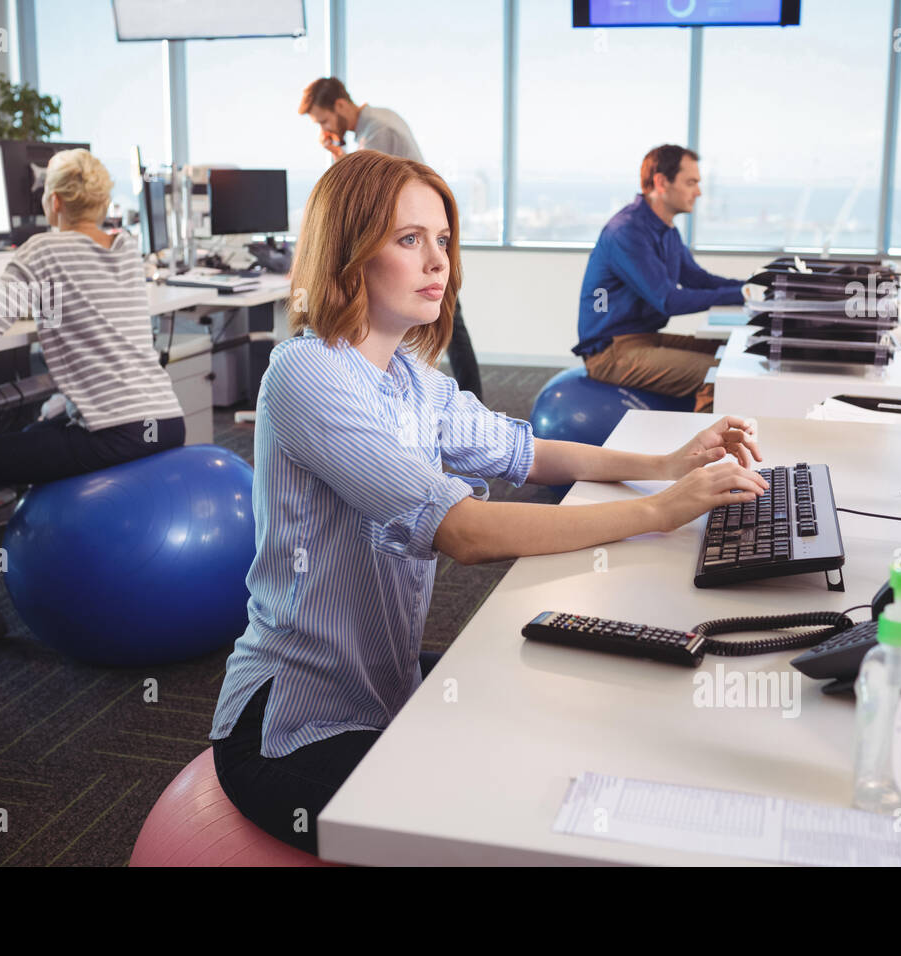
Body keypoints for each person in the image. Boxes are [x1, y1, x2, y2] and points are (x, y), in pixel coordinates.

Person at [209, 149, 768, 856]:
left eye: (442, 240)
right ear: (349, 252)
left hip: (387, 684)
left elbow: (527, 451)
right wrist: (661, 512)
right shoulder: (306, 374)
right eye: (409, 240)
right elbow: (463, 532)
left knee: (568, 712)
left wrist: (665, 465)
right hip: (290, 729)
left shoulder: (412, 379)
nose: (438, 261)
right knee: (504, 815)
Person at [0, 149, 186, 642]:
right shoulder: (124, 248)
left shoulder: (42, 251)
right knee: (38, 429)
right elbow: (76, 299)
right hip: (165, 421)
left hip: (112, 431)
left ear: (54, 200)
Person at [298, 75, 484, 401]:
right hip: (417, 229)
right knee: (451, 325)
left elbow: (365, 196)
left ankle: (467, 404)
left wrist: (336, 153)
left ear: (341, 105)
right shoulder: (380, 119)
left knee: (449, 326)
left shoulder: (378, 131)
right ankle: (467, 403)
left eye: (325, 119)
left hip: (412, 228)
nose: (325, 128)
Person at [575, 144, 751, 412]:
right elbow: (668, 300)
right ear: (661, 182)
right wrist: (746, 296)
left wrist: (753, 287)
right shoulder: (627, 231)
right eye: (691, 182)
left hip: (643, 338)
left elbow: (697, 279)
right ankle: (706, 453)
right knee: (719, 375)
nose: (699, 192)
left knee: (732, 351)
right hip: (611, 353)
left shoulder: (666, 229)